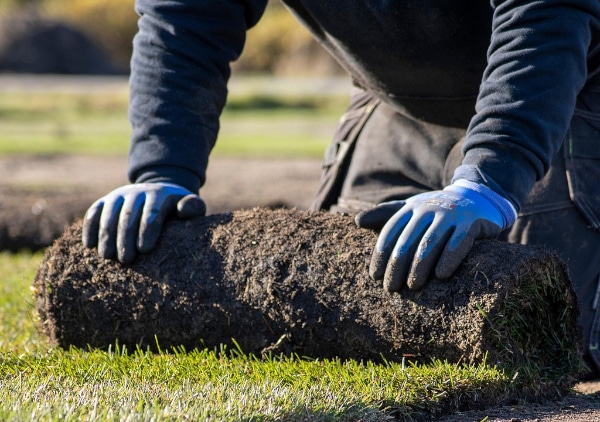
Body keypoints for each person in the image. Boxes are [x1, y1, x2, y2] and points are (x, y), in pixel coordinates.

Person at [82, 0, 600, 376]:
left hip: (568, 86)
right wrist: (161, 169)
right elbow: (186, 18)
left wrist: (491, 176)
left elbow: (546, 15)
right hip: (395, 101)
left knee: (557, 340)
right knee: (336, 312)